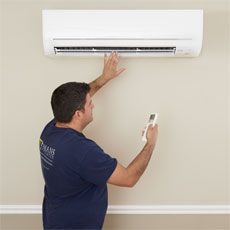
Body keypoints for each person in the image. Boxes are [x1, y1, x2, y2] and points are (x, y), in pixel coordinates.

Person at [39, 52, 158, 230]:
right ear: (78, 114)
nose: (93, 104)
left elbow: (77, 98)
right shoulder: (83, 152)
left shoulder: (51, 129)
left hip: (55, 219)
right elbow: (129, 178)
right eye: (89, 104)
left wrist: (103, 79)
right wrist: (150, 143)